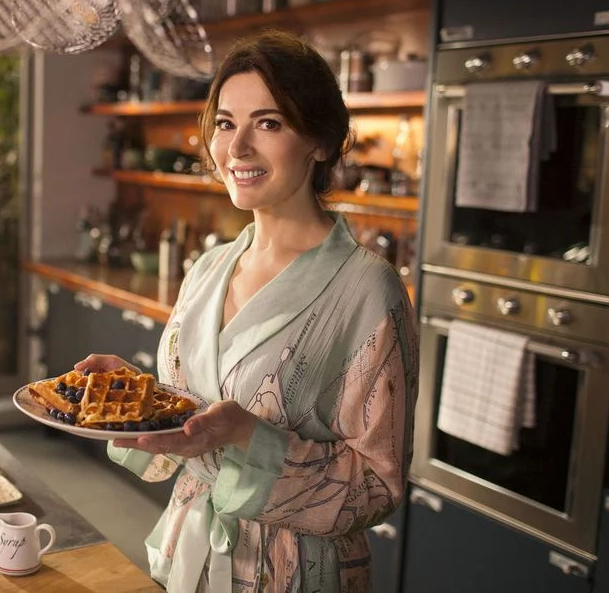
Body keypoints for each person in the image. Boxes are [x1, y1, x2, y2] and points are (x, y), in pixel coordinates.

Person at [74, 29, 419, 593]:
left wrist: (247, 436)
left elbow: (380, 487)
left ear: (322, 142)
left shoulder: (367, 290)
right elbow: (189, 423)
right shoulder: (209, 268)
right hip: (189, 560)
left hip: (294, 575)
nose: (236, 149)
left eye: (269, 123)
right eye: (227, 124)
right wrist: (137, 400)